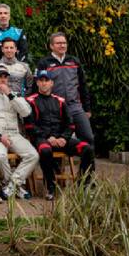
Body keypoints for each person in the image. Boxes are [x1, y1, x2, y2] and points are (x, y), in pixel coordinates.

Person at [24, 69, 94, 200]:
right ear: (37, 83)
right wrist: (47, 137)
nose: (44, 83)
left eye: (47, 81)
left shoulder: (61, 101)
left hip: (62, 139)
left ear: (52, 83)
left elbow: (70, 124)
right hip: (42, 139)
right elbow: (30, 126)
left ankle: (83, 185)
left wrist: (63, 137)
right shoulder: (30, 101)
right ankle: (51, 187)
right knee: (45, 150)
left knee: (87, 148)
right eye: (41, 80)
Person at [0, 66, 39, 200]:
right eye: (0, 76)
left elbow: (26, 112)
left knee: (33, 155)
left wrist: (10, 94)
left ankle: (12, 185)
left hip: (14, 134)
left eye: (5, 76)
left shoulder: (15, 95)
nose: (3, 79)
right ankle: (12, 185)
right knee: (0, 156)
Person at [36, 32, 94, 144]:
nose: (62, 45)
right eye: (58, 43)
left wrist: (87, 108)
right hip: (55, 108)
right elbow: (37, 86)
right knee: (57, 141)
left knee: (88, 137)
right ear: (51, 46)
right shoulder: (44, 63)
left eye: (64, 43)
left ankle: (89, 162)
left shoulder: (74, 61)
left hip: (75, 107)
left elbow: (83, 85)